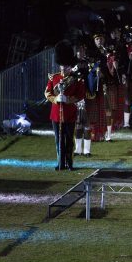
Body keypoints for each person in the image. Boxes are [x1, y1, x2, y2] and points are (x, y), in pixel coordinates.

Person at [44, 41, 85, 170]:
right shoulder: (54, 78)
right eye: (61, 65)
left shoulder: (76, 79)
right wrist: (56, 99)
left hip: (70, 113)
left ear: (69, 66)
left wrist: (68, 99)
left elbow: (81, 94)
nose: (63, 67)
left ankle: (70, 163)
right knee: (58, 140)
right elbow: (47, 93)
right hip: (56, 114)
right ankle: (60, 163)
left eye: (66, 65)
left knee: (69, 140)